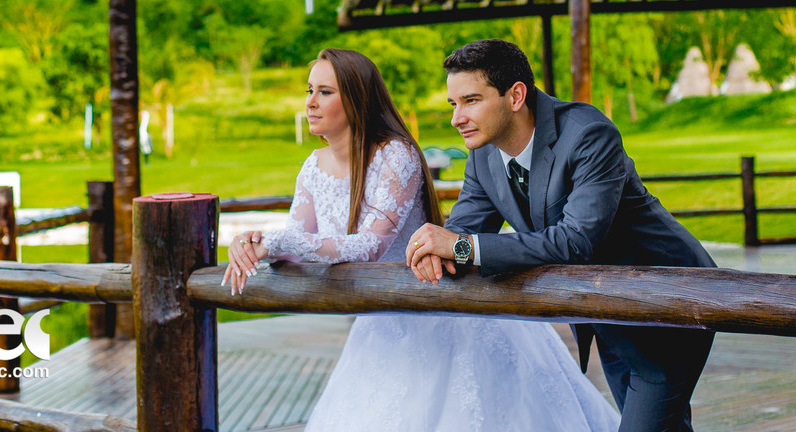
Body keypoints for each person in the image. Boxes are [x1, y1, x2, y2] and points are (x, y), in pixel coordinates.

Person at [224, 48, 617, 432]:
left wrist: (279, 243)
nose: (311, 102)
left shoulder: (394, 155)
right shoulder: (311, 167)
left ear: (358, 98)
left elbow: (368, 246)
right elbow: (299, 241)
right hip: (379, 323)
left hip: (440, 310)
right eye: (309, 90)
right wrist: (258, 244)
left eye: (325, 92)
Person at [406, 39, 716, 432]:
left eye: (470, 100)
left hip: (670, 307)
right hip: (608, 317)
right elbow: (462, 230)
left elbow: (575, 241)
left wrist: (460, 247)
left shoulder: (589, 134)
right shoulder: (483, 155)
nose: (457, 118)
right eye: (454, 104)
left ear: (515, 95)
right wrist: (438, 250)